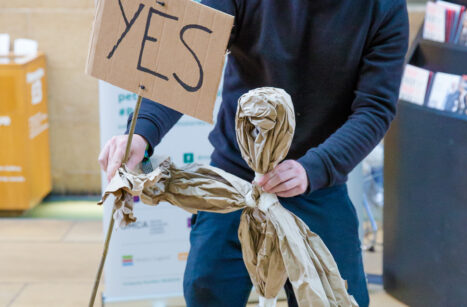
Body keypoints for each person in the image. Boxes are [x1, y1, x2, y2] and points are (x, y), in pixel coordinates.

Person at [98, 0, 409, 306]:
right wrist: (141, 132)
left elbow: (374, 108)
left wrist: (315, 168)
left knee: (338, 298)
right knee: (206, 288)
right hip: (236, 177)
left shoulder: (384, 8)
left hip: (317, 181)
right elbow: (190, 56)